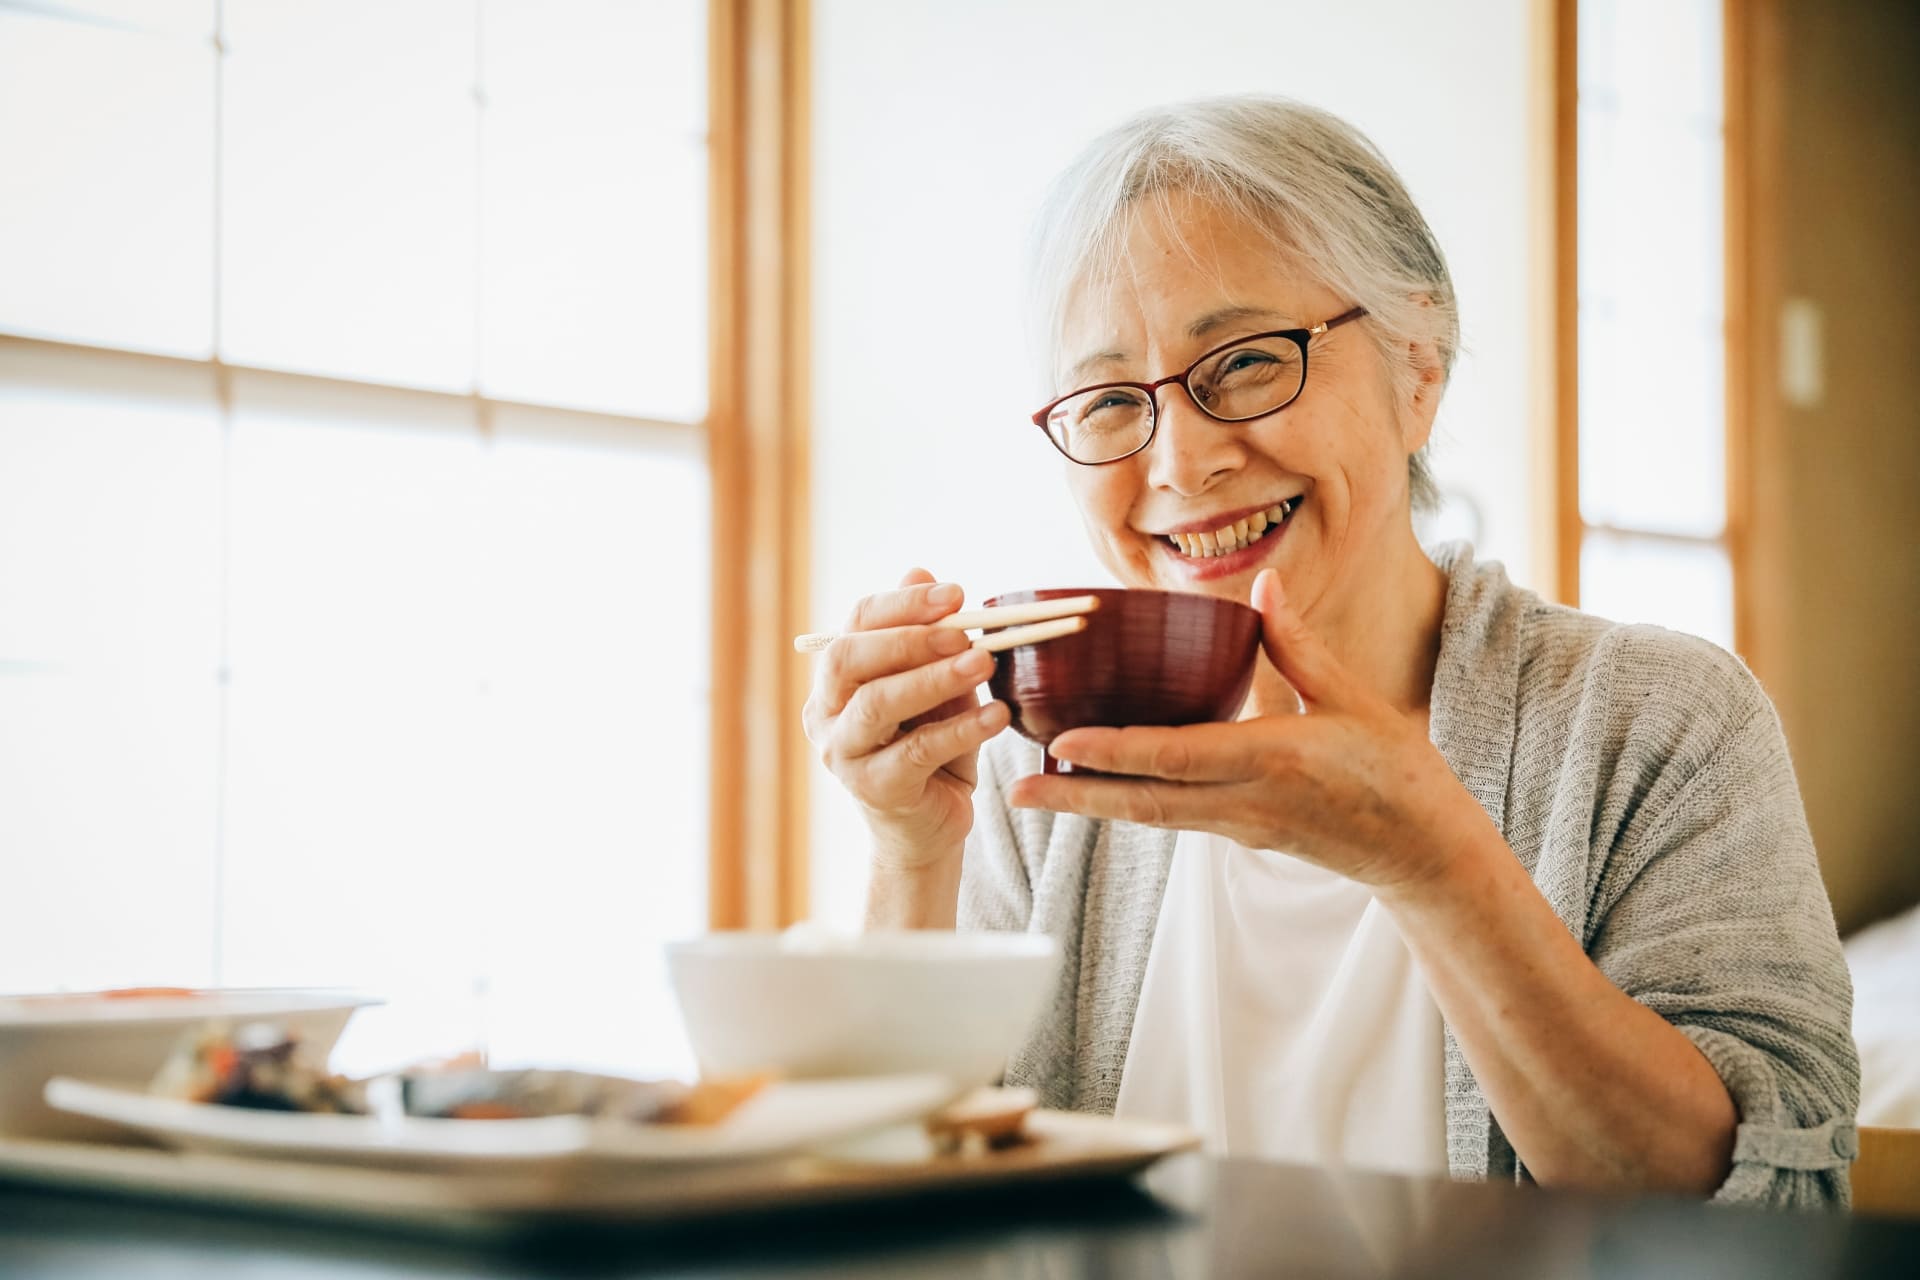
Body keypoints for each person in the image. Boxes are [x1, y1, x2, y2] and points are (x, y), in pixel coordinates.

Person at [800, 96, 1857, 1207]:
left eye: (1248, 362)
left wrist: (1433, 863)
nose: (1182, 462)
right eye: (1112, 400)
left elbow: (1779, 1209)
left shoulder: (1660, 721)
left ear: (1419, 365)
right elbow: (897, 1210)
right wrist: (910, 852)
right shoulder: (1039, 771)